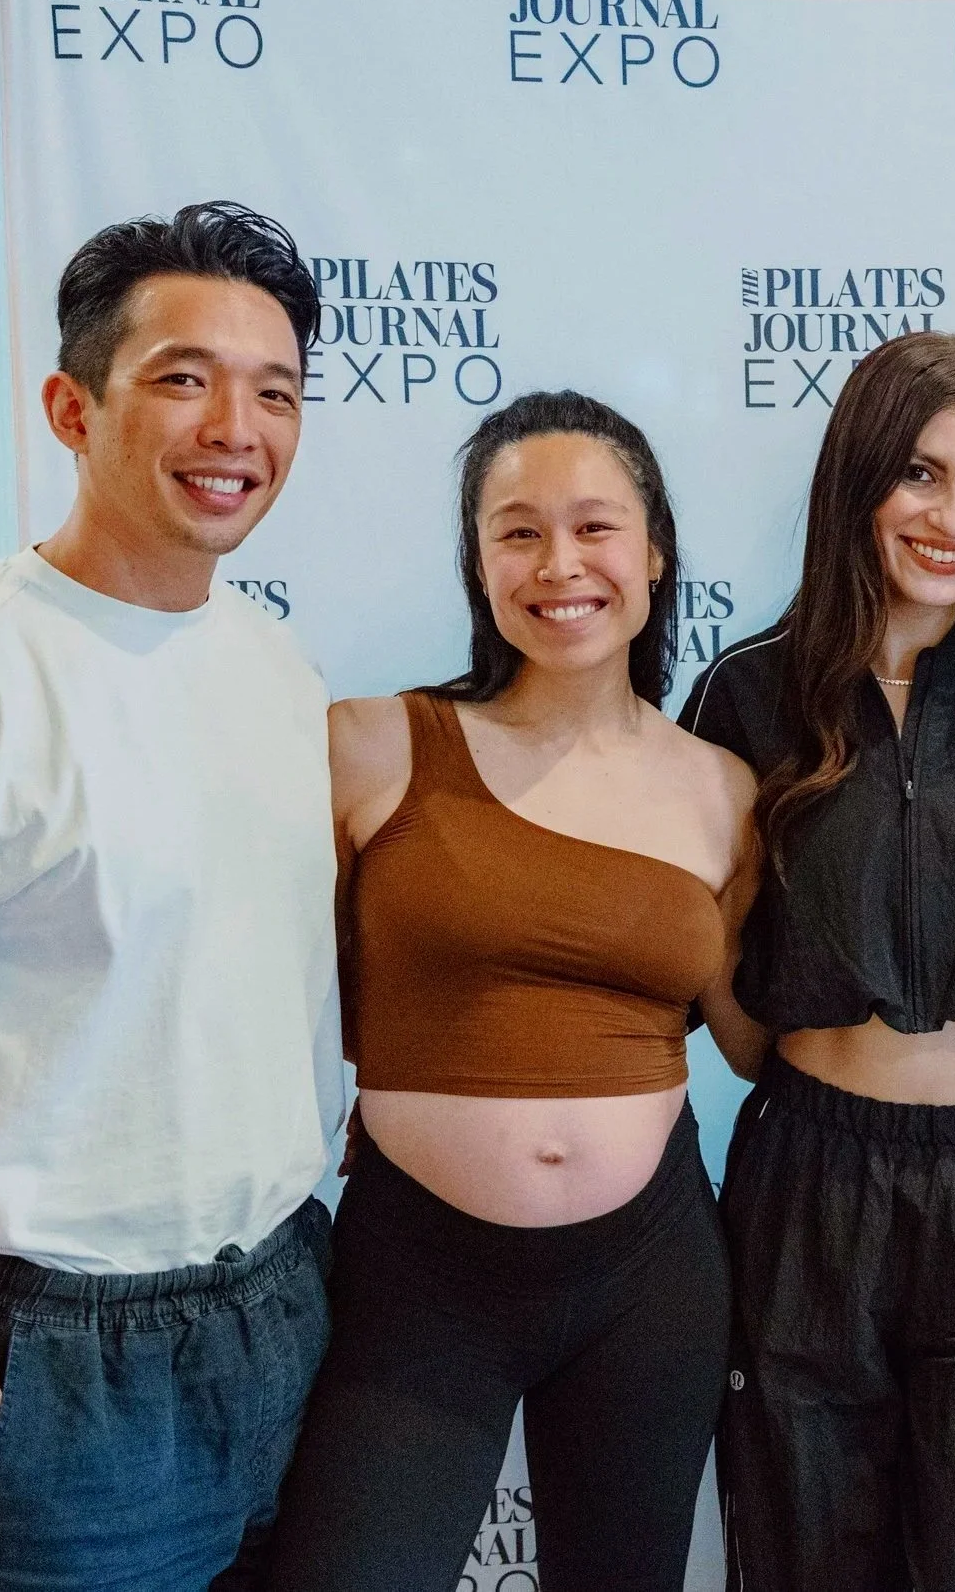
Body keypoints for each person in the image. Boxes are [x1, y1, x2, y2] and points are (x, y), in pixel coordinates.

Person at [0, 203, 340, 1591]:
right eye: (184, 378)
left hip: (284, 1305)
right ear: (70, 409)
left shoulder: (274, 666)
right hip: (57, 1360)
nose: (236, 427)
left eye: (275, 391)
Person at [262, 392, 757, 1592]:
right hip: (417, 1278)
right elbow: (271, 993)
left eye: (594, 526)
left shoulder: (724, 788)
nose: (559, 563)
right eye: (518, 531)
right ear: (477, 562)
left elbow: (750, 1043)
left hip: (651, 1277)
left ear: (654, 553)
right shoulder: (370, 744)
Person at [678, 330, 955, 1592]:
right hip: (811, 1188)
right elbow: (703, 941)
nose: (954, 517)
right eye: (920, 472)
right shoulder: (749, 695)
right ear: (858, 479)